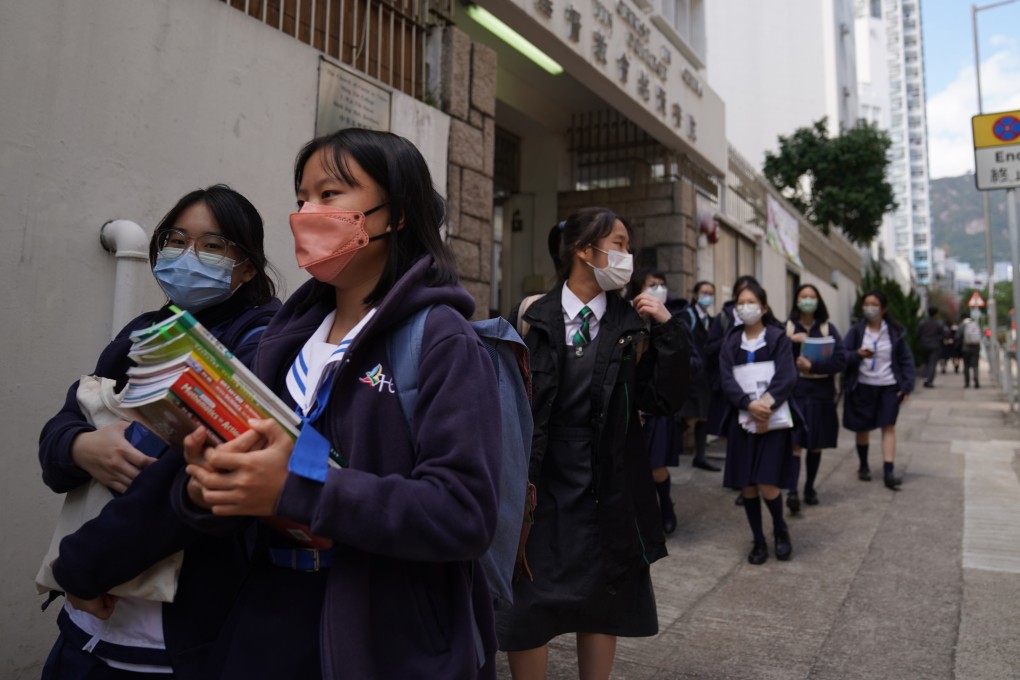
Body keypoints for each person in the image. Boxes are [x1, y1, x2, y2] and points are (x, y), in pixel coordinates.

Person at [177, 129, 503, 678]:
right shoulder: (284, 341)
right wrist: (208, 485)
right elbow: (277, 466)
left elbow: (464, 512)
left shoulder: (442, 340)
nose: (307, 213)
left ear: (394, 213)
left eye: (330, 195)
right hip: (266, 619)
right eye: (302, 197)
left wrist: (298, 488)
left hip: (384, 636)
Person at [38, 185, 281, 678]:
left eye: (213, 246)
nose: (188, 255)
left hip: (174, 637)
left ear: (248, 267)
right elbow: (61, 428)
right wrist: (81, 446)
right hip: (85, 631)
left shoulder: (261, 343)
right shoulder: (142, 331)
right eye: (176, 239)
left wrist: (83, 567)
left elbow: (193, 475)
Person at [497, 208, 689, 679]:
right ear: (586, 251)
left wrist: (667, 329)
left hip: (608, 484)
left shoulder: (634, 324)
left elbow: (664, 398)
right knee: (528, 602)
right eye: (619, 244)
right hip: (539, 482)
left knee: (603, 601)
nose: (628, 255)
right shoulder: (529, 315)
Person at [719, 281, 797, 565]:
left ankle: (780, 528)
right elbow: (726, 379)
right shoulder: (730, 342)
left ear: (763, 308)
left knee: (768, 482)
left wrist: (764, 407)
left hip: (773, 421)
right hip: (742, 421)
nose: (745, 307)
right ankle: (759, 540)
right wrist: (748, 405)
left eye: (751, 302)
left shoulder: (777, 338)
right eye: (741, 303)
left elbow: (786, 376)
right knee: (747, 485)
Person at [627, 268, 686, 535]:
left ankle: (667, 508)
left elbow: (685, 362)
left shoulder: (672, 319)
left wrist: (664, 323)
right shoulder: (626, 318)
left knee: (657, 466)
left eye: (662, 285)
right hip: (630, 408)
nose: (658, 289)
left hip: (655, 411)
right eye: (652, 285)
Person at [842, 291, 915, 490]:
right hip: (863, 385)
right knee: (862, 427)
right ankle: (863, 465)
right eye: (866, 304)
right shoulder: (857, 331)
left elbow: (906, 360)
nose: (869, 308)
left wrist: (907, 386)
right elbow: (843, 354)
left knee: (889, 425)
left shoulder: (894, 332)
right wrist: (857, 354)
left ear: (883, 308)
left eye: (874, 304)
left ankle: (889, 471)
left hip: (889, 386)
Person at [784, 284, 847, 512]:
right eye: (803, 296)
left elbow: (841, 360)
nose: (808, 300)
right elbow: (775, 359)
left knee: (816, 444)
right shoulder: (788, 328)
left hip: (821, 394)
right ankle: (792, 491)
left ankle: (809, 488)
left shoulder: (827, 328)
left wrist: (814, 365)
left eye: (812, 296)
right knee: (795, 444)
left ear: (818, 301)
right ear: (796, 300)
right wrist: (790, 342)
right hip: (796, 393)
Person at [680, 280, 720, 473]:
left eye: (711, 293)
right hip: (690, 373)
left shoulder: (712, 321)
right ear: (695, 294)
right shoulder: (688, 315)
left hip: (705, 377)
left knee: (703, 416)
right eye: (704, 292)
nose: (708, 296)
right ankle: (671, 450)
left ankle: (700, 456)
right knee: (687, 416)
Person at [917, 306, 944, 388]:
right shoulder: (938, 324)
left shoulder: (922, 323)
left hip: (924, 345)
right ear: (936, 314)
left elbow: (918, 334)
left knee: (925, 362)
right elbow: (942, 335)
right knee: (932, 363)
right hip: (934, 345)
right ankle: (929, 381)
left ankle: (924, 378)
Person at [959, 314, 982, 388]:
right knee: (975, 365)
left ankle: (967, 382)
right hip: (976, 347)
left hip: (966, 348)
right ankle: (976, 379)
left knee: (966, 366)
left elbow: (958, 336)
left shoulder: (963, 325)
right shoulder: (975, 324)